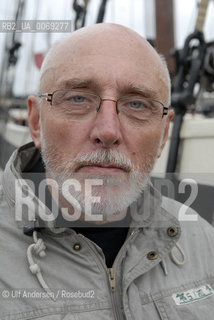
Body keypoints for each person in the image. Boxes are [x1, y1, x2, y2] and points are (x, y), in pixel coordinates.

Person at [0, 23, 214, 320]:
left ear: (164, 133)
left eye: (137, 104)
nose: (108, 131)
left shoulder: (202, 241)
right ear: (36, 123)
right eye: (78, 98)